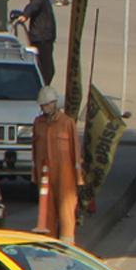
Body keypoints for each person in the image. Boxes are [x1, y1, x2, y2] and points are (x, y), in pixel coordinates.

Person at [30, 87, 81, 243]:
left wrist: (78, 178)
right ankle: (49, 243)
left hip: (65, 175)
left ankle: (67, 244)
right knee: (47, 211)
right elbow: (34, 149)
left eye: (45, 105)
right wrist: (35, 173)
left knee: (66, 210)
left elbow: (76, 150)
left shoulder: (67, 123)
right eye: (42, 105)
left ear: (54, 104)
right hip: (45, 174)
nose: (43, 108)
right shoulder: (38, 124)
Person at [13, 0, 58, 85]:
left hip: (43, 37)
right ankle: (42, 88)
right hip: (42, 38)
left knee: (44, 68)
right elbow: (33, 6)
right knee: (48, 70)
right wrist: (25, 15)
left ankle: (41, 86)